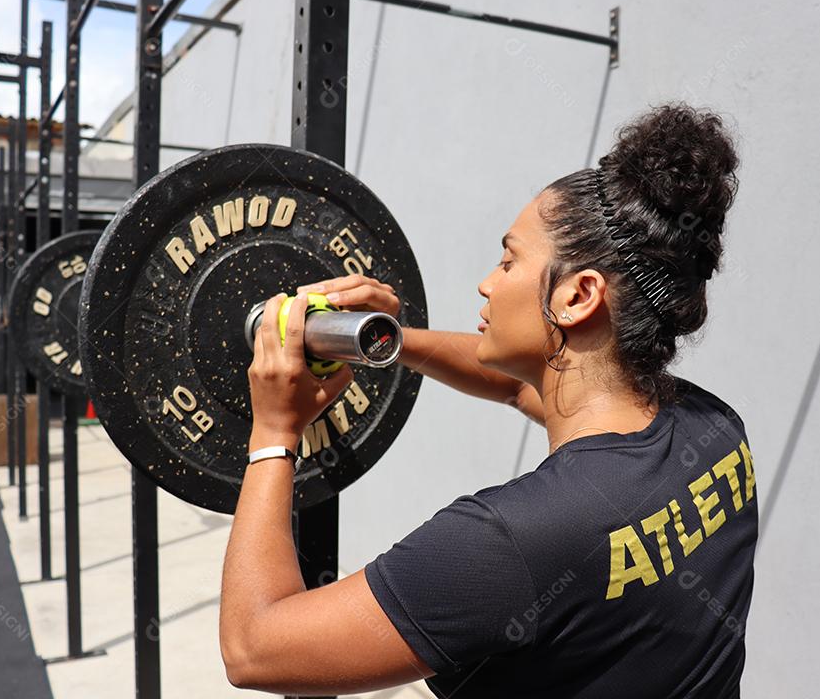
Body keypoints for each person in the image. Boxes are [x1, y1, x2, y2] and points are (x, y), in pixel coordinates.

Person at [219, 102, 756, 698]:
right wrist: (378, 340)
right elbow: (513, 382)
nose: (488, 282)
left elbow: (254, 647)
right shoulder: (715, 429)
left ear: (578, 296)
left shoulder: (509, 542)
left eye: (509, 260)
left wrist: (274, 430)